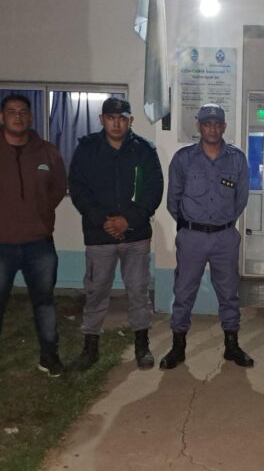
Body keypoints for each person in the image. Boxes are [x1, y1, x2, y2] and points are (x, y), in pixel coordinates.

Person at [0, 94, 67, 384]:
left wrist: (39, 213)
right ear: (1, 117)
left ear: (31, 117)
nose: (17, 116)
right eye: (11, 111)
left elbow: (58, 188)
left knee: (44, 301)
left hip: (39, 243)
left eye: (23, 112)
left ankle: (49, 355)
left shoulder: (47, 152)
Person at [67, 97, 163, 371]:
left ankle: (142, 346)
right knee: (96, 292)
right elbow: (78, 189)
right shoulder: (87, 149)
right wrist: (104, 220)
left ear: (130, 120)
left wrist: (127, 220)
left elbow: (154, 190)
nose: (117, 123)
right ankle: (90, 348)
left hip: (136, 235)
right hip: (99, 235)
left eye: (122, 118)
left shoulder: (145, 150)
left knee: (138, 291)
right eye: (111, 118)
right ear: (102, 120)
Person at [160, 104, 253, 369]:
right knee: (183, 291)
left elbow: (241, 199)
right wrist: (188, 226)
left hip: (225, 237)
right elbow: (173, 199)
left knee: (229, 292)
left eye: (217, 124)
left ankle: (232, 346)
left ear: (224, 127)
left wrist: (224, 223)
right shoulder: (183, 159)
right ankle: (178, 347)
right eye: (207, 124)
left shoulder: (237, 159)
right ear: (199, 126)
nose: (212, 128)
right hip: (192, 237)